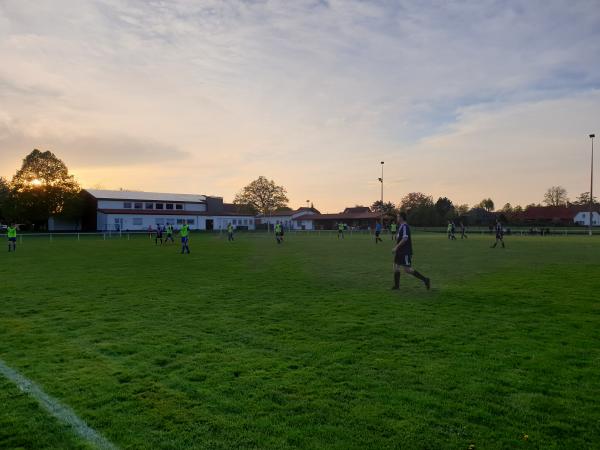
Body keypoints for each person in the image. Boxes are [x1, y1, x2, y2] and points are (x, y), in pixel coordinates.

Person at [392, 212, 430, 290]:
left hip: (405, 251)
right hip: (399, 251)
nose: (397, 218)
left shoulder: (405, 226)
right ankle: (397, 286)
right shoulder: (401, 226)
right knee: (396, 266)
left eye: (398, 217)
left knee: (407, 269)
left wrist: (396, 247)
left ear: (401, 217)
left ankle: (425, 280)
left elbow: (405, 238)